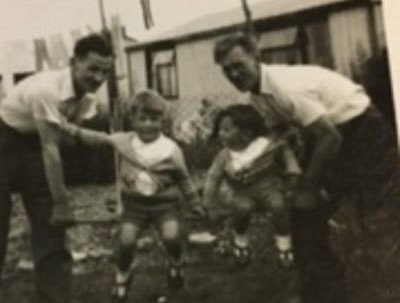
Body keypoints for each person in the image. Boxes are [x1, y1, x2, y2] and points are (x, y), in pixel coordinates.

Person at [213, 32, 399, 303]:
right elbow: (286, 139)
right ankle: (323, 292)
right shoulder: (257, 97)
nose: (233, 74)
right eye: (226, 69)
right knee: (303, 218)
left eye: (238, 65)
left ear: (256, 58)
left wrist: (309, 188)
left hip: (363, 132)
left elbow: (329, 138)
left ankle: (384, 290)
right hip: (329, 136)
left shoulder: (283, 87)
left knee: (375, 219)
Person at [0, 34, 113, 303]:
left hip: (36, 145)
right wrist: (62, 201)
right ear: (74, 63)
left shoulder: (87, 99)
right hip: (1, 142)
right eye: (93, 69)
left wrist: (104, 141)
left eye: (105, 71)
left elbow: (62, 138)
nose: (98, 78)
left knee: (52, 226)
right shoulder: (46, 89)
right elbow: (51, 148)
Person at [60, 90, 204, 302]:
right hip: (134, 206)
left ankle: (176, 262)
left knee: (171, 236)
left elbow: (184, 179)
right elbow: (97, 139)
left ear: (162, 121)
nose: (148, 124)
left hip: (165, 206)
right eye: (142, 119)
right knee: (125, 242)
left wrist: (194, 203)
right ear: (133, 120)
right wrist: (69, 128)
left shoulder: (171, 150)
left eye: (154, 119)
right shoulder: (125, 142)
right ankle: (123, 274)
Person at [203, 104, 301, 268]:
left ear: (246, 134)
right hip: (240, 192)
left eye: (226, 130)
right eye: (220, 129)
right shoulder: (224, 156)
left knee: (278, 205)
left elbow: (285, 152)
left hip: (268, 188)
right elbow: (213, 178)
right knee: (243, 208)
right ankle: (240, 240)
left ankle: (284, 245)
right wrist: (209, 204)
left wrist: (293, 173)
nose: (221, 134)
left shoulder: (265, 147)